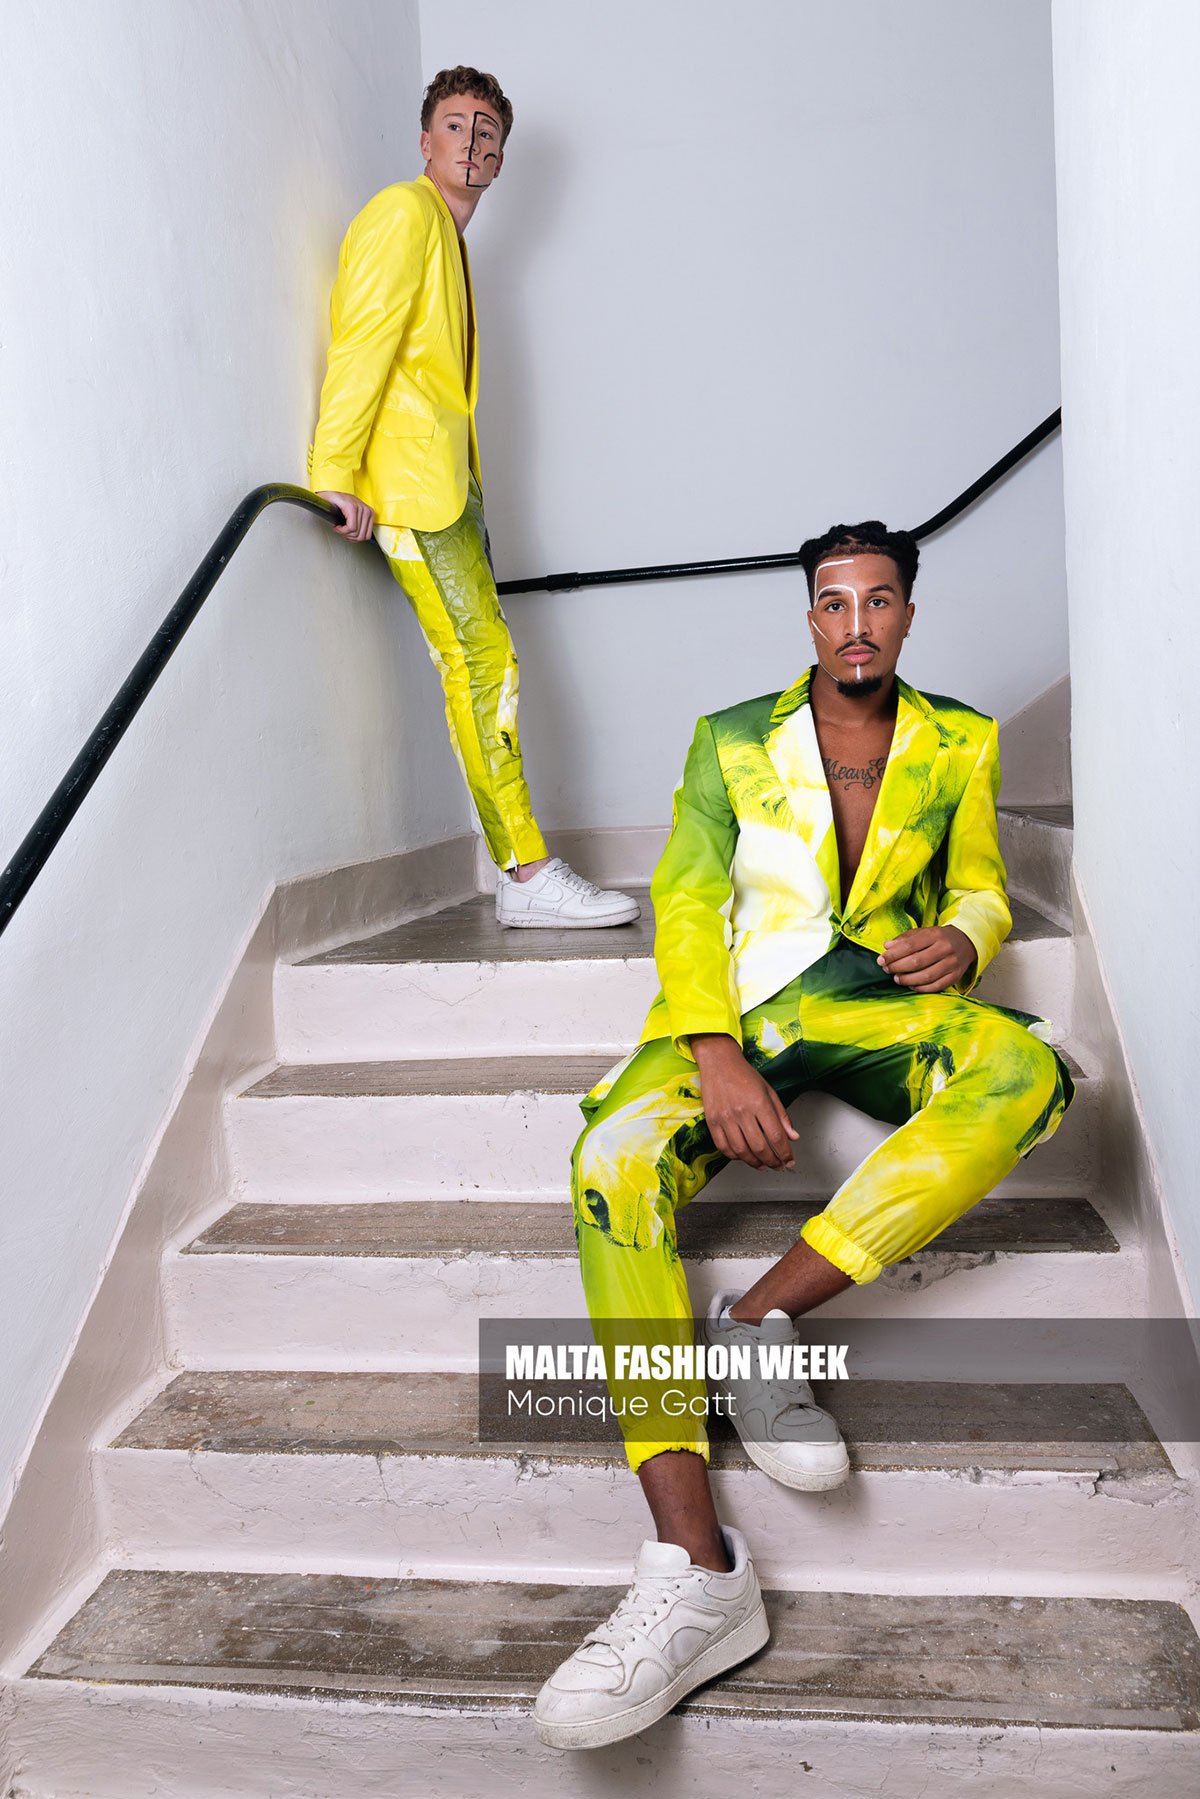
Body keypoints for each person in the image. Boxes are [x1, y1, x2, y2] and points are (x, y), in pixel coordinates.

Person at [533, 519, 1075, 1749]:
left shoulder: (963, 739)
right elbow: (685, 897)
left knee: (1027, 1072)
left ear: (907, 614)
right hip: (748, 1010)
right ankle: (696, 1567)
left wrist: (971, 936)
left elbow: (980, 879)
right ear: (811, 616)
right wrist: (714, 1047)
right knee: (610, 1162)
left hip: (881, 1001)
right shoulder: (730, 738)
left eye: (879, 600)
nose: (856, 622)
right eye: (834, 601)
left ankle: (761, 1316)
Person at [308, 66, 638, 929]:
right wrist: (334, 469)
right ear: (426, 142)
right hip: (414, 491)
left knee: (488, 665)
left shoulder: (448, 239)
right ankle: (525, 871)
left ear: (499, 159)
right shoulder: (403, 213)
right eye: (456, 125)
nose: (472, 140)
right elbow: (361, 344)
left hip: (452, 490)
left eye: (487, 131)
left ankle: (520, 867)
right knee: (483, 665)